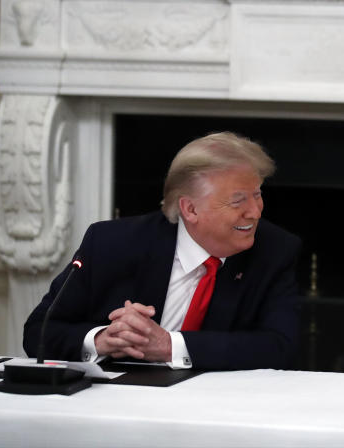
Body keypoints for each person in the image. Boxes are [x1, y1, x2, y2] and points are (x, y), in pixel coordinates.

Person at [24, 132, 301, 371]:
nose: (255, 211)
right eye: (238, 200)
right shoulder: (111, 243)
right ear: (190, 209)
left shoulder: (274, 250)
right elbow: (38, 332)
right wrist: (100, 340)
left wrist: (171, 346)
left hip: (219, 407)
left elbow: (280, 347)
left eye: (257, 194)